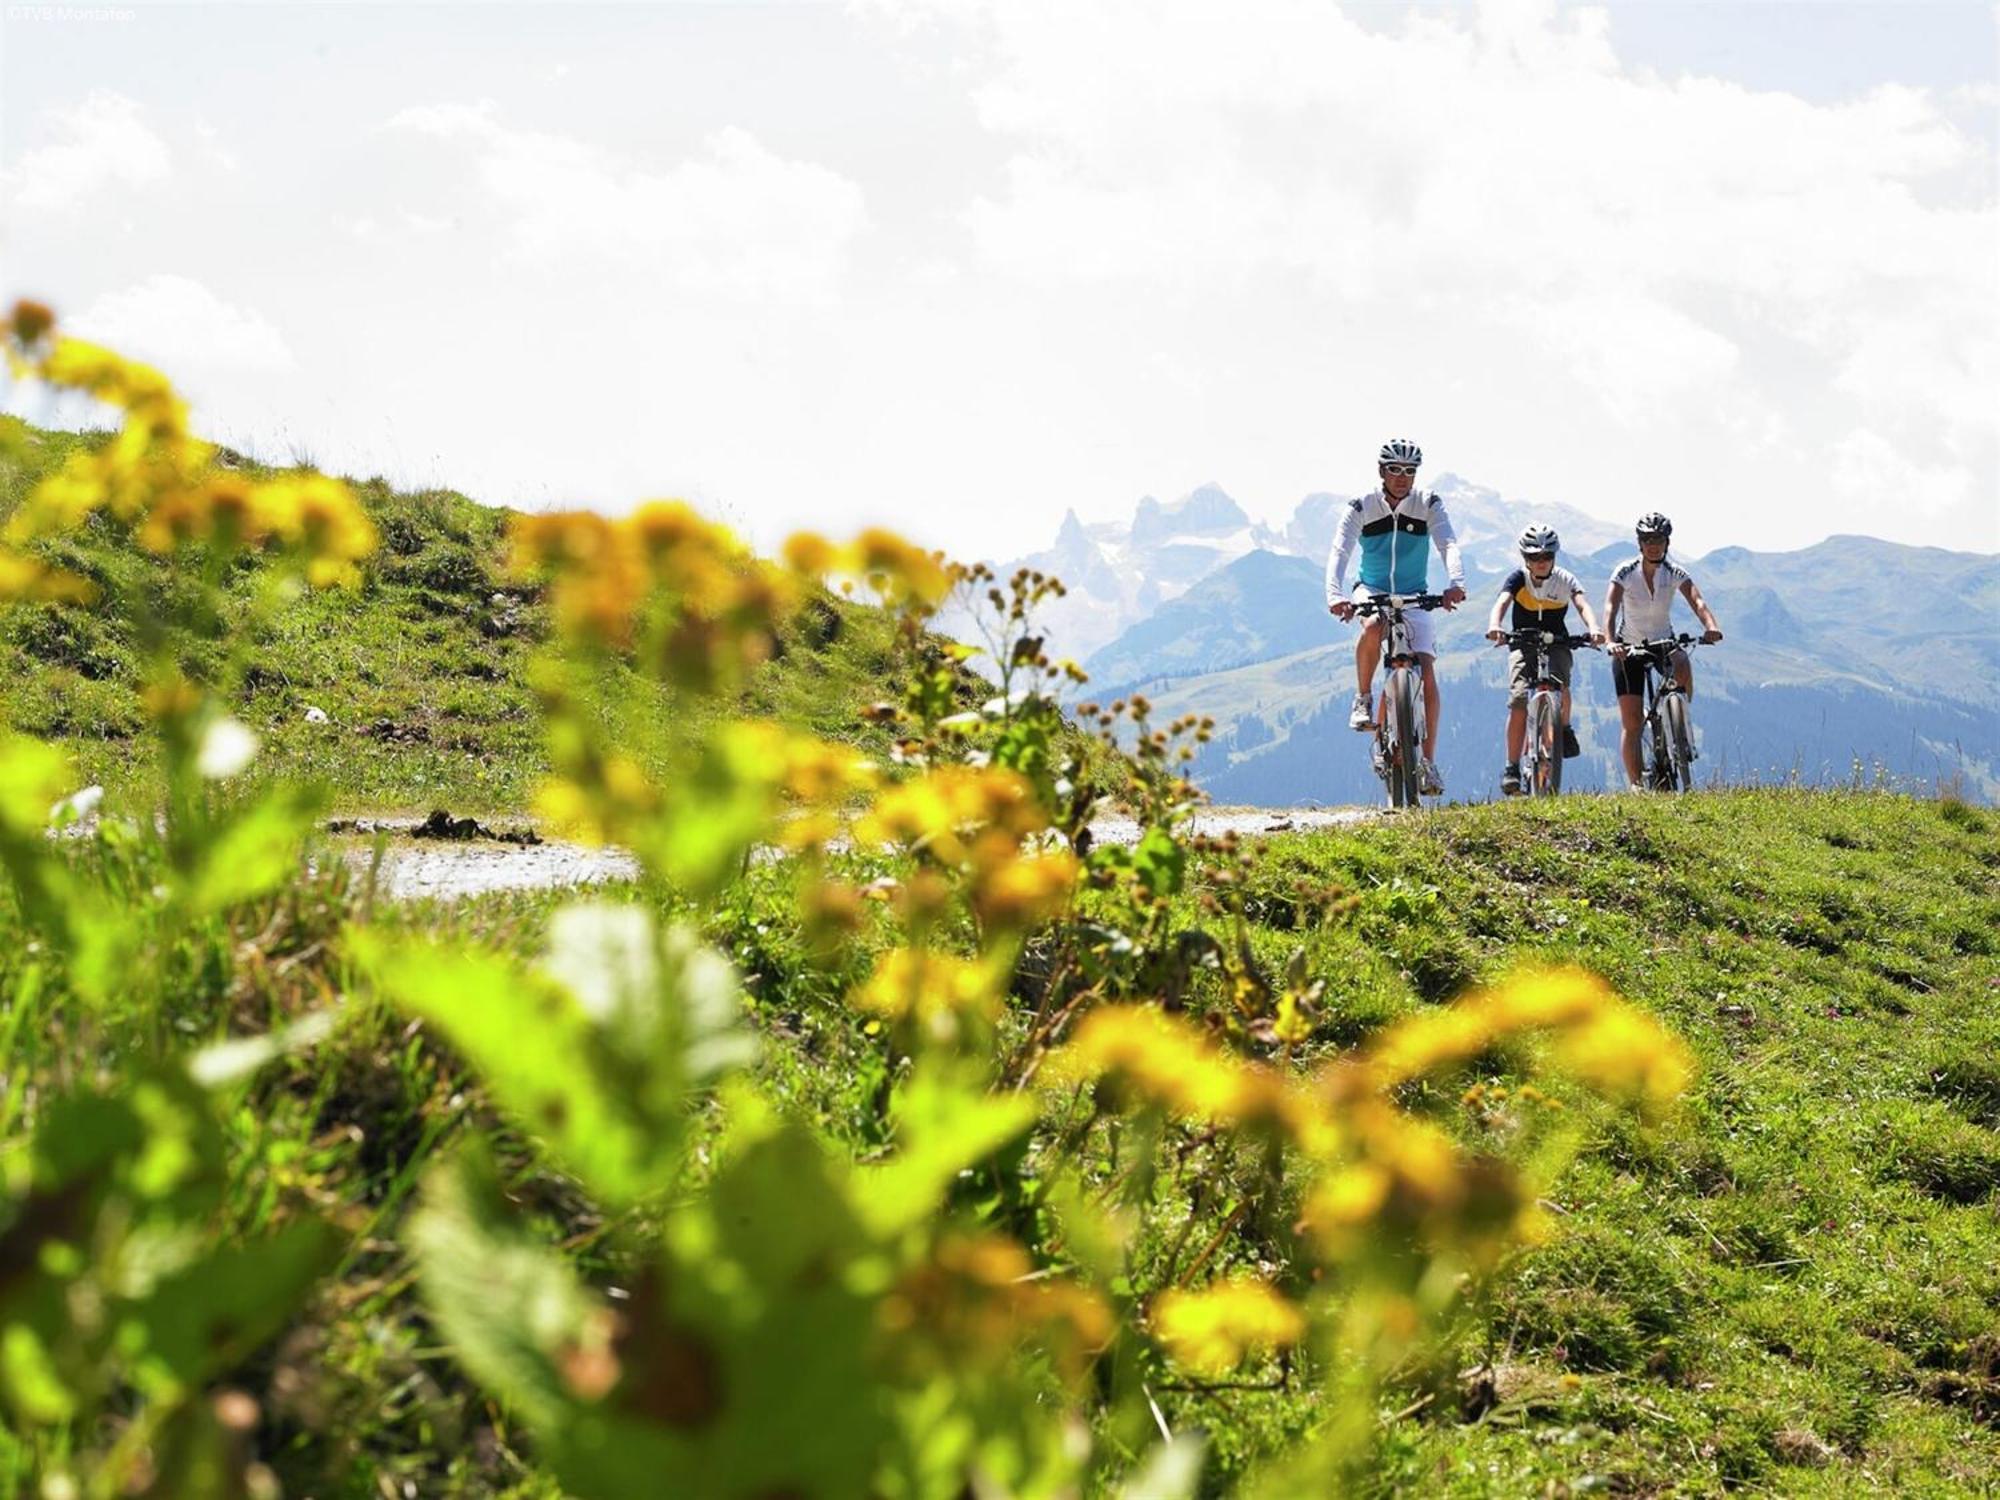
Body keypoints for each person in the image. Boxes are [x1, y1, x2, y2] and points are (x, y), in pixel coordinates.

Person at [1325, 438, 1467, 794]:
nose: (1402, 477)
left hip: (1415, 593)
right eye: (1395, 470)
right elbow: (1340, 549)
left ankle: (1428, 765)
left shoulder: (1428, 504)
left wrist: (1455, 583)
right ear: (1381, 471)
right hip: (1371, 590)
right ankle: (1363, 698)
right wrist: (1335, 594)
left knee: (1428, 675)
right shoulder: (1361, 506)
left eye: (1409, 471)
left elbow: (1447, 542)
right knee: (1373, 625)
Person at [1603, 511, 1724, 791]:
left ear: (1667, 542)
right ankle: (1636, 786)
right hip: (1629, 649)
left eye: (1658, 539)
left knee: (1682, 663)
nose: (1653, 545)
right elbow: (1610, 607)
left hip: (1663, 642)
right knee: (1632, 723)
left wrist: (1711, 626)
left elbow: (1698, 601)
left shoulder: (1675, 572)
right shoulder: (1624, 572)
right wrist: (1610, 640)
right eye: (1647, 539)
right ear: (1639, 542)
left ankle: (1680, 718)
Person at [1485, 524, 1604, 795]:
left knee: (1562, 686)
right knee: (1518, 700)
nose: (1541, 562)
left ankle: (1564, 727)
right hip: (1522, 641)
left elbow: (1582, 604)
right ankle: (1512, 767)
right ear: (1525, 559)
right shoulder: (1517, 579)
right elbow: (1502, 602)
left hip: (1556, 641)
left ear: (1554, 557)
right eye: (1534, 558)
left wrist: (1594, 628)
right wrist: (1495, 624)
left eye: (1546, 557)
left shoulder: (1565, 579)